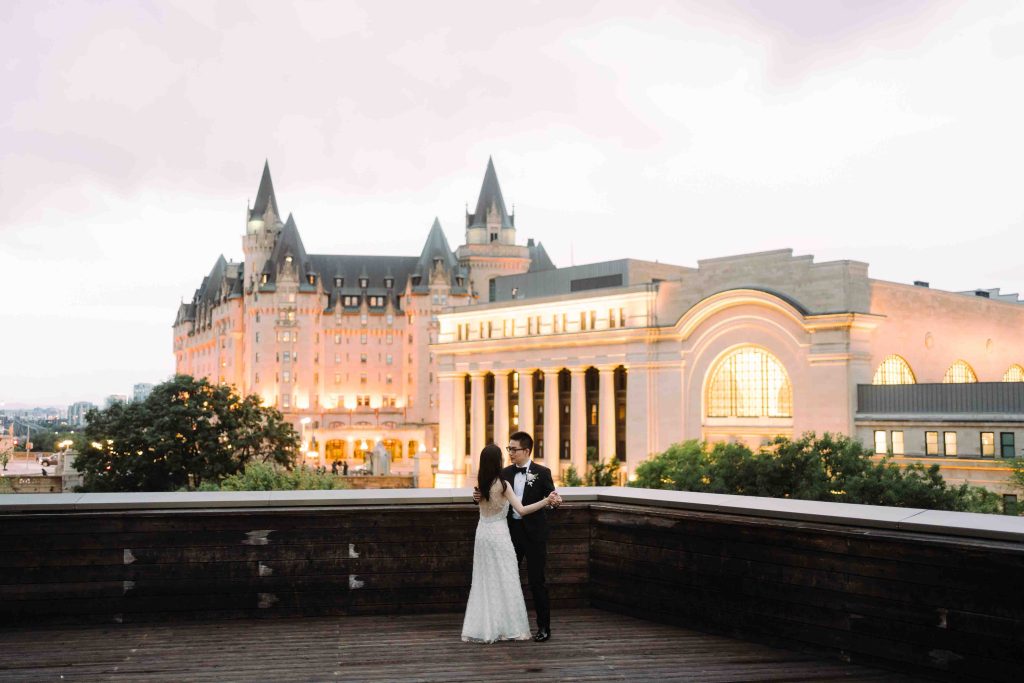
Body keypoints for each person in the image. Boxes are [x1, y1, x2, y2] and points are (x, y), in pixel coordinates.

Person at [462, 444, 558, 643]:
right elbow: (521, 510)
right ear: (498, 461)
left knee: (484, 580)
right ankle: (507, 626)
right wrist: (545, 501)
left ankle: (484, 626)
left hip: (483, 535)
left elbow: (480, 501)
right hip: (499, 535)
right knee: (506, 580)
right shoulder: (503, 484)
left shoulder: (481, 484)